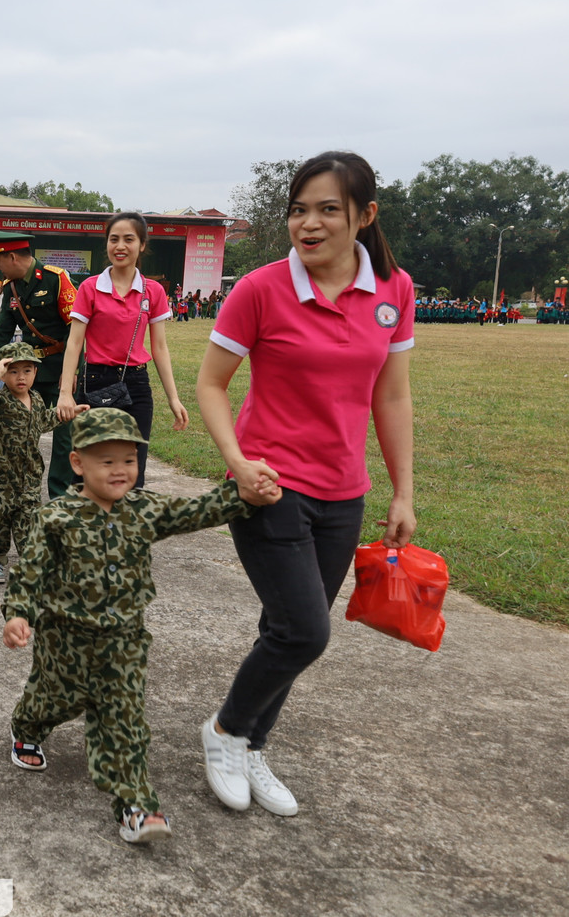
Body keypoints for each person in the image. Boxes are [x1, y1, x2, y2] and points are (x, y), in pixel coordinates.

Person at [195, 151, 416, 819]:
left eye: (327, 210)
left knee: (286, 626)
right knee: (305, 630)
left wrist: (403, 491)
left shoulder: (393, 290)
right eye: (298, 210)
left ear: (364, 216)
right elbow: (211, 384)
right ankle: (226, 730)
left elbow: (393, 398)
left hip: (344, 494)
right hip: (268, 485)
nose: (308, 224)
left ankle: (254, 744)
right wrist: (237, 460)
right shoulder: (260, 288)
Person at [2, 408, 275, 844]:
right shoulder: (56, 519)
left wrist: (243, 495)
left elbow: (194, 510)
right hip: (64, 637)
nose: (120, 470)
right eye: (106, 461)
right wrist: (18, 613)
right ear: (78, 463)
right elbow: (30, 572)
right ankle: (27, 727)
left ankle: (137, 806)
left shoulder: (143, 510)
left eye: (128, 460)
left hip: (125, 639)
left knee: (124, 718)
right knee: (55, 697)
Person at [55, 212, 189, 488]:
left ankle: (124, 530)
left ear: (141, 245)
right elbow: (75, 342)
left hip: (136, 386)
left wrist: (173, 398)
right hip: (94, 384)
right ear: (106, 244)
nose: (120, 246)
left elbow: (160, 348)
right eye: (113, 239)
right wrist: (66, 393)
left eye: (129, 239)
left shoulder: (152, 292)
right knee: (88, 469)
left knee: (132, 473)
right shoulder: (90, 288)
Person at [0, 230, 78, 497]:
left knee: (63, 437)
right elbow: (1, 330)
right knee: (20, 430)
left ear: (12, 257)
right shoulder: (11, 287)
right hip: (28, 374)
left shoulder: (56, 280)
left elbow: (77, 331)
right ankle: (21, 490)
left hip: (60, 372)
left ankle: (59, 497)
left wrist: (73, 372)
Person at [0, 342, 87, 584]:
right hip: (2, 478)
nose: (21, 377)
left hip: (30, 477)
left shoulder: (36, 399)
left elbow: (44, 421)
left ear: (36, 372)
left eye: (27, 370)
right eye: (13, 371)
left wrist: (69, 413)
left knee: (29, 521)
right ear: (4, 373)